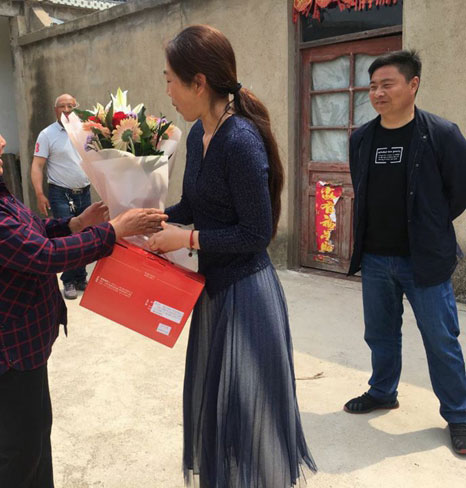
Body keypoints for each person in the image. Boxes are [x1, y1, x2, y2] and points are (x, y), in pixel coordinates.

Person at [0, 98, 167, 488]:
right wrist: (114, 231)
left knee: (35, 443)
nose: (3, 142)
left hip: (19, 346)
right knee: (16, 456)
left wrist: (75, 223)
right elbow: (42, 256)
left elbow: (30, 232)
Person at [148, 25, 316, 487]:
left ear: (199, 82)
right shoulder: (197, 135)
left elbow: (255, 233)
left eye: (170, 81)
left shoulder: (239, 140)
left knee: (251, 416)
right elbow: (194, 205)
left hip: (246, 294)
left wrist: (186, 239)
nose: (168, 91)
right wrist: (148, 218)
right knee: (220, 408)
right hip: (211, 293)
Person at [344, 50, 466, 455]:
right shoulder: (361, 139)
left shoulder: (442, 134)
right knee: (379, 333)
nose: (378, 93)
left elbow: (459, 190)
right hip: (376, 258)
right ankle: (383, 391)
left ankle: (460, 415)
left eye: (387, 84)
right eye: (372, 86)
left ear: (413, 84)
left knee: (441, 338)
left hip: (425, 259)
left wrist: (430, 223)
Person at [31, 93, 91, 300]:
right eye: (62, 106)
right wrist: (39, 193)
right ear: (55, 110)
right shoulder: (47, 135)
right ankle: (68, 281)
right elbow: (37, 165)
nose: (66, 110)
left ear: (76, 108)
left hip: (84, 192)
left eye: (70, 106)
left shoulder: (86, 130)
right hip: (60, 193)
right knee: (67, 236)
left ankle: (81, 277)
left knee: (84, 234)